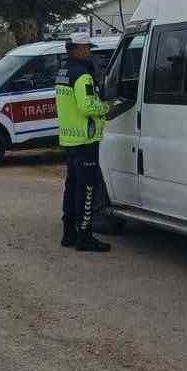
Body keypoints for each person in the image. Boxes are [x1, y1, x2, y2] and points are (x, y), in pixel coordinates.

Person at [56, 32, 112, 253]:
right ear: (77, 49)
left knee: (71, 187)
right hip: (85, 139)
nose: (89, 52)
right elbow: (87, 106)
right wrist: (106, 107)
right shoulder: (82, 75)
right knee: (88, 188)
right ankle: (85, 236)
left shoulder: (63, 72)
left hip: (69, 138)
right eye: (87, 48)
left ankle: (68, 234)